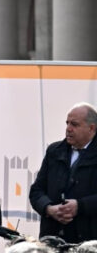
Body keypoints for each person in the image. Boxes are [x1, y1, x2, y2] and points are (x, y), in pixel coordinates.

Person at [29, 102, 97, 243]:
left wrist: (80, 206)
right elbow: (36, 191)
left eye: (74, 124)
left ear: (92, 128)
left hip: (89, 243)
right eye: (67, 123)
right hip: (53, 239)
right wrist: (49, 209)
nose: (68, 129)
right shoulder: (54, 151)